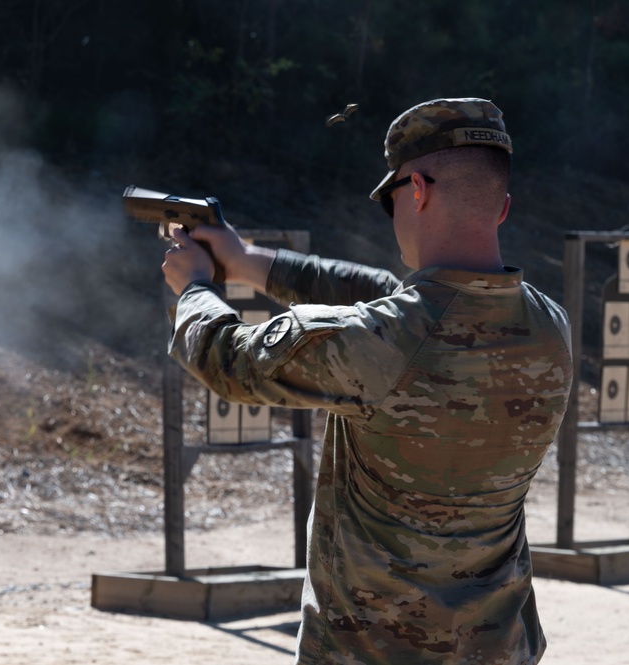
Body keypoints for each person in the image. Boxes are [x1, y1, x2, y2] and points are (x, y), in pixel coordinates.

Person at [161, 98, 573, 664]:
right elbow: (389, 296)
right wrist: (248, 259)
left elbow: (226, 359)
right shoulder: (551, 326)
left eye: (391, 198)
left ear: (420, 191)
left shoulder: (389, 340)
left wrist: (193, 287)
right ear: (501, 208)